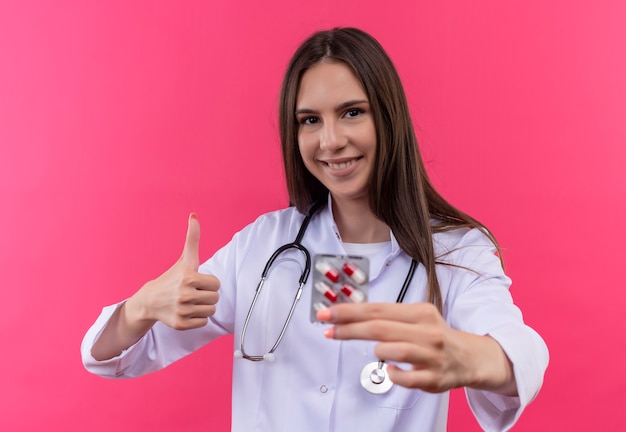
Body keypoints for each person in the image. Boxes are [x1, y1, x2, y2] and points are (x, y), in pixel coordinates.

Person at [82, 27, 548, 431]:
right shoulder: (264, 247)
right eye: (310, 120)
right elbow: (112, 356)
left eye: (352, 112)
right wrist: (142, 306)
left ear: (388, 117)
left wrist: (472, 357)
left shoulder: (454, 251)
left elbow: (520, 350)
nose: (330, 141)